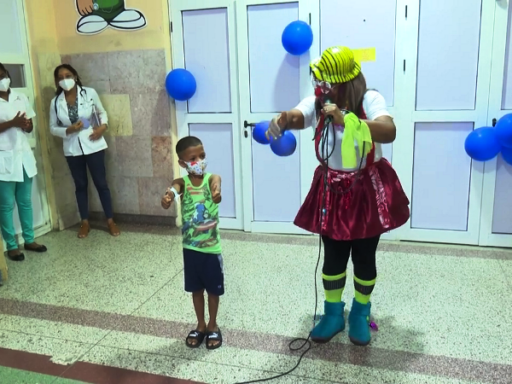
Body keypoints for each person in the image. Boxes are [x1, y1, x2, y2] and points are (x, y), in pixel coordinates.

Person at [266, 46, 410, 346]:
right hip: (331, 189)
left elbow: (388, 130)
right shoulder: (319, 102)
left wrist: (349, 120)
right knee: (332, 257)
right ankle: (333, 313)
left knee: (364, 256)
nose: (322, 88)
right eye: (321, 82)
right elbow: (298, 115)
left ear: (345, 80)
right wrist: (283, 120)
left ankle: (360, 312)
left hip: (365, 189)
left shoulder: (370, 99)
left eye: (328, 82)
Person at [161, 136, 224, 350]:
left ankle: (214, 325)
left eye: (202, 156)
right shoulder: (182, 183)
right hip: (191, 250)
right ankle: (201, 325)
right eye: (193, 158)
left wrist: (216, 193)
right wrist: (168, 197)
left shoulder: (211, 179)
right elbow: (173, 189)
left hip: (211, 249)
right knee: (196, 290)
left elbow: (216, 184)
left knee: (213, 291)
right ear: (182, 163)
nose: (199, 161)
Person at [49, 64, 120, 238]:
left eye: (68, 75)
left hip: (93, 143)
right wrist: (68, 130)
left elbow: (101, 112)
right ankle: (85, 222)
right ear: (57, 81)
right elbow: (52, 127)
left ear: (75, 76)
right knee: (80, 186)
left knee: (101, 184)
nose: (65, 79)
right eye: (60, 77)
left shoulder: (89, 92)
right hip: (72, 148)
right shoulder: (55, 102)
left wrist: (103, 127)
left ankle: (110, 220)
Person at [0, 63, 47, 261]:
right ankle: (11, 245)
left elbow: (30, 125)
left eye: (2, 74)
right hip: (4, 159)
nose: (1, 79)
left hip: (23, 158)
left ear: (7, 74)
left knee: (25, 202)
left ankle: (29, 239)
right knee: (6, 205)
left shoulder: (21, 96)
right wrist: (13, 123)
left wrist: (27, 125)